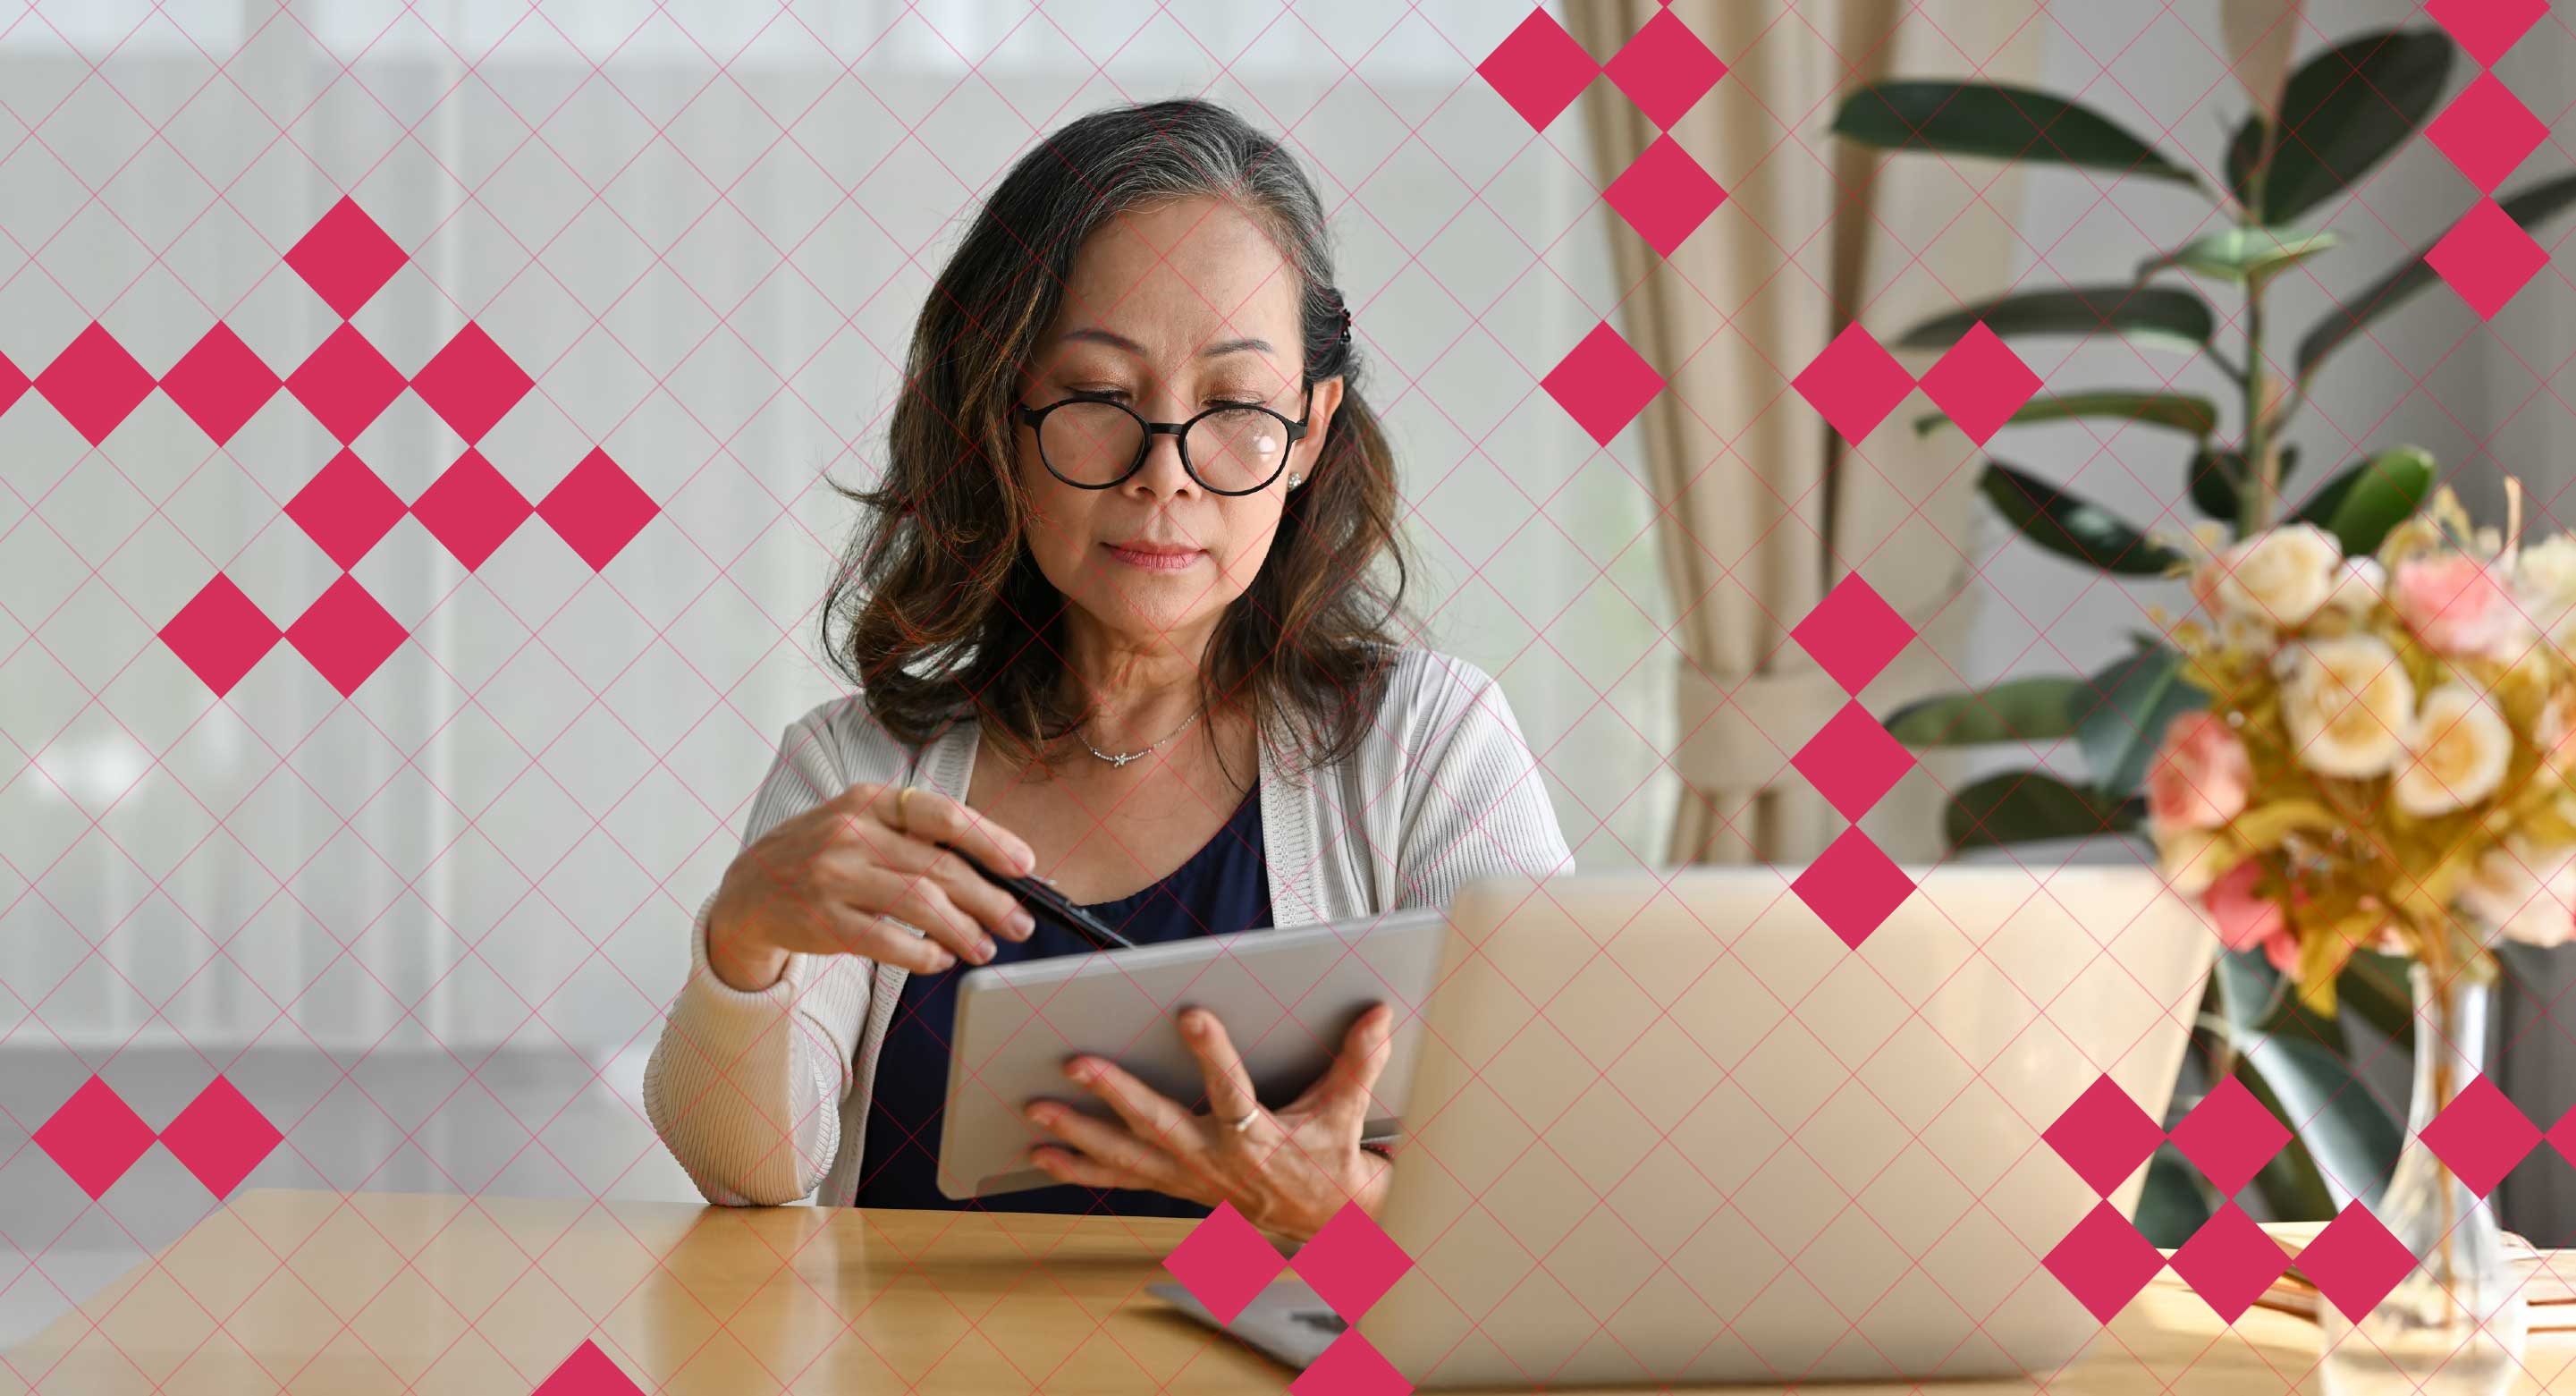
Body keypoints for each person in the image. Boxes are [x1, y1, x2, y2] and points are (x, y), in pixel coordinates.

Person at [641, 97, 1571, 1243]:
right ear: (1001, 414)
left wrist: (1345, 1211)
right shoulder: (860, 764)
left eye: (1232, 405)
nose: (1163, 475)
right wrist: (742, 942)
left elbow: (1550, 1185)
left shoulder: (1429, 744)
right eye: (1098, 398)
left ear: (1312, 430)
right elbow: (748, 1176)